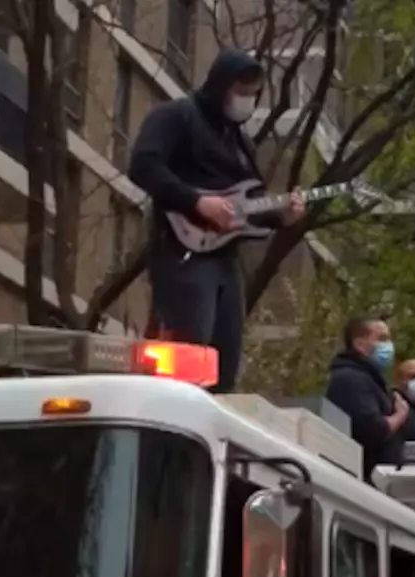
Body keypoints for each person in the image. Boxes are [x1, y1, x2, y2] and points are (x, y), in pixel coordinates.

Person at [128, 49, 306, 393]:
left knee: (223, 366)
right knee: (188, 357)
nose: (246, 101)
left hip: (225, 261)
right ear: (220, 85)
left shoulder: (241, 143)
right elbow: (143, 165)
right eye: (240, 91)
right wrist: (197, 201)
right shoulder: (176, 116)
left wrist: (282, 216)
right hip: (183, 252)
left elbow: (245, 206)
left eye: (253, 94)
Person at [325, 317, 409, 479]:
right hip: (363, 484)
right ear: (359, 345)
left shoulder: (370, 380)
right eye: (382, 339)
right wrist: (400, 415)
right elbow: (373, 430)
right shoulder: (351, 379)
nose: (389, 346)